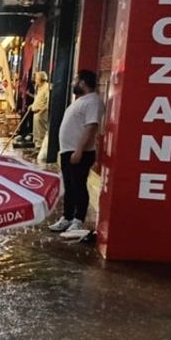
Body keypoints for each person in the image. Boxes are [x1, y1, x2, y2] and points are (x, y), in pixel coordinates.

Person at [49, 69, 103, 233]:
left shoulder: (92, 101)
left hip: (79, 152)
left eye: (75, 80)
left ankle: (78, 219)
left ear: (82, 83)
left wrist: (79, 151)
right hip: (69, 151)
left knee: (79, 185)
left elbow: (91, 127)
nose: (73, 83)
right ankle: (67, 217)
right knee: (69, 186)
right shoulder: (82, 100)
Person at [30, 71, 50, 150]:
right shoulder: (39, 88)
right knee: (36, 134)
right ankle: (37, 147)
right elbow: (38, 99)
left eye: (36, 78)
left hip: (41, 113)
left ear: (41, 79)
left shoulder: (46, 88)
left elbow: (48, 102)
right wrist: (32, 106)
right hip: (36, 113)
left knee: (41, 133)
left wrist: (41, 111)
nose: (35, 80)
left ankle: (40, 149)